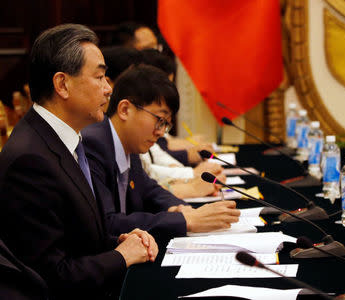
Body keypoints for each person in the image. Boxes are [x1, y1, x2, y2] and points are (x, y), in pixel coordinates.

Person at [0, 24, 158, 300]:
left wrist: (118, 242)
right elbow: (53, 274)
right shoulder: (30, 160)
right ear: (62, 84)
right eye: (99, 77)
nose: (109, 88)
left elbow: (75, 239)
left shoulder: (61, 138)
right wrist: (120, 257)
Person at [82, 64, 240, 242]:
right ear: (125, 110)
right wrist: (184, 221)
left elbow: (148, 189)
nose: (161, 132)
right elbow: (108, 224)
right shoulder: (94, 145)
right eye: (159, 120)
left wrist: (179, 209)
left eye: (166, 124)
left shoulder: (129, 144)